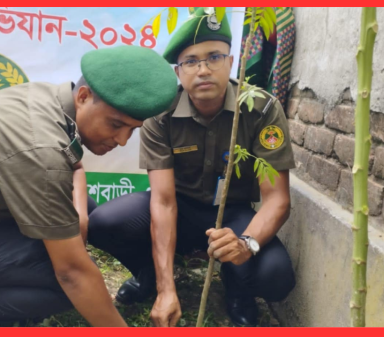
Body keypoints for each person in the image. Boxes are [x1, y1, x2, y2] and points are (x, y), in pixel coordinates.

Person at [0, 45, 178, 327]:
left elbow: (73, 166)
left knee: (79, 216)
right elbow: (73, 274)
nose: (122, 140)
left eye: (133, 129)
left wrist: (79, 217)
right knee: (68, 284)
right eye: (116, 125)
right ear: (84, 97)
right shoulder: (39, 145)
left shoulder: (50, 101)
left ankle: (11, 300)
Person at [88, 8, 296, 327]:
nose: (203, 70)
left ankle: (237, 291)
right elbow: (163, 200)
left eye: (214, 57)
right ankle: (149, 274)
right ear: (177, 71)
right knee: (104, 222)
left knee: (276, 276)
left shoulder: (260, 108)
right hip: (180, 207)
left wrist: (246, 243)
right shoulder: (162, 113)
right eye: (190, 61)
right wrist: (165, 288)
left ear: (230, 61)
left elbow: (277, 199)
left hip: (234, 214)